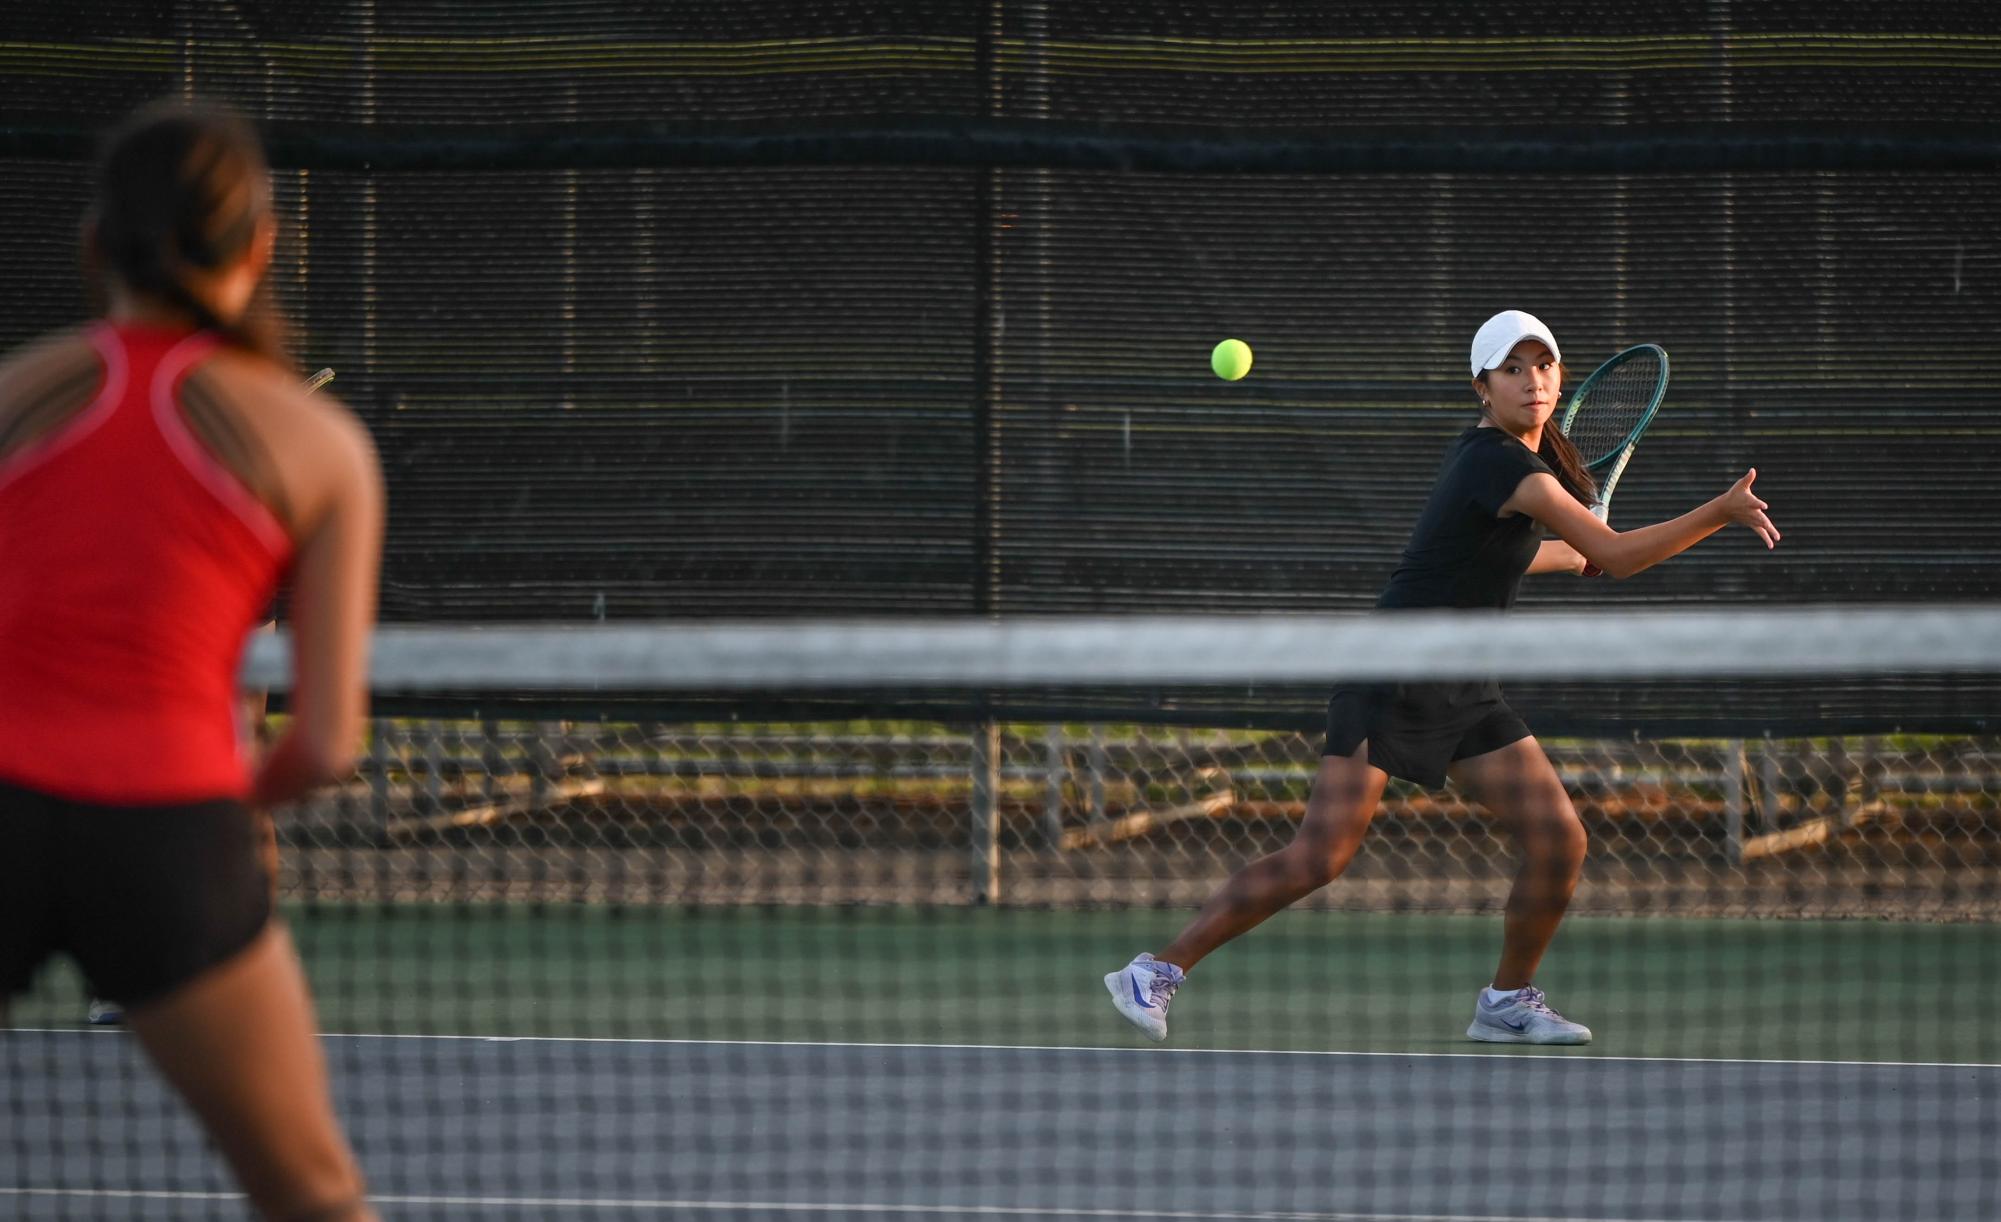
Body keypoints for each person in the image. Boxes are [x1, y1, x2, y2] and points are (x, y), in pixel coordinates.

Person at [1105, 309, 1778, 1046]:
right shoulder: (1499, 462)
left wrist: (1578, 550)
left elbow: (1528, 556)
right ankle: (1156, 970)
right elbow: (1616, 558)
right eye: (1512, 369)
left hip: (1463, 689)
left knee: (1558, 839)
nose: (1532, 380)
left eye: (1543, 365)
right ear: (1481, 388)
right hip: (1393, 675)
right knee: (1319, 856)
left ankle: (1507, 999)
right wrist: (1716, 512)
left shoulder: (1516, 467)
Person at [0, 99, 383, 1220]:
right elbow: (324, 741)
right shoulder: (318, 445)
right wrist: (238, 801)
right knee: (313, 1192)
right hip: (170, 836)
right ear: (260, 247)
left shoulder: (11, 400)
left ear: (92, 244)